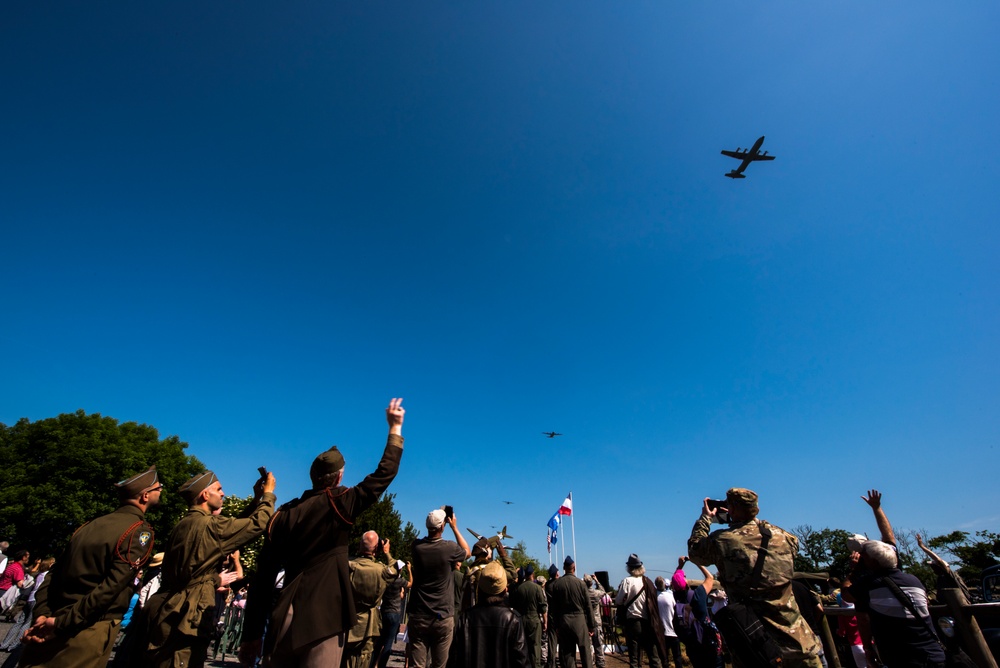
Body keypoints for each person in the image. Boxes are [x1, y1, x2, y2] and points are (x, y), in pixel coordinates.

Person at [239, 398, 406, 668]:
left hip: (284, 615)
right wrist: (394, 428)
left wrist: (251, 635)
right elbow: (384, 473)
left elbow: (263, 579)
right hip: (324, 618)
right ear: (339, 478)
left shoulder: (283, 514)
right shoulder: (339, 503)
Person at [19, 466, 160, 668]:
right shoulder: (137, 531)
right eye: (158, 488)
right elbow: (111, 587)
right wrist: (62, 624)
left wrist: (42, 614)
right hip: (87, 628)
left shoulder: (88, 525)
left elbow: (53, 574)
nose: (161, 491)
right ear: (145, 496)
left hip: (51, 618)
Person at [139, 466, 276, 668]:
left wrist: (256, 500)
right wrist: (268, 495)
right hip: (187, 612)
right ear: (205, 494)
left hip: (166, 607)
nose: (223, 494)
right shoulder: (210, 526)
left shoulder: (186, 523)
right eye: (218, 489)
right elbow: (257, 524)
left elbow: (233, 528)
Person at [688, 488, 823, 668]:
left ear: (732, 509)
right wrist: (753, 520)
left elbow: (695, 551)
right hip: (799, 641)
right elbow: (790, 545)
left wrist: (706, 518)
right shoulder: (784, 537)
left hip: (756, 645)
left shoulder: (723, 540)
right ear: (756, 510)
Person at [843, 539, 946, 668]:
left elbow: (846, 596)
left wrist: (853, 571)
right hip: (933, 654)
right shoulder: (913, 580)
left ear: (873, 561)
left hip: (901, 657)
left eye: (864, 557)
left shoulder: (870, 583)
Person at [407, 507, 471, 668]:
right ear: (443, 526)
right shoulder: (448, 548)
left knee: (417, 665)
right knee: (439, 665)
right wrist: (454, 527)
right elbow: (467, 552)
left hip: (419, 613)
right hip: (442, 615)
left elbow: (420, 539)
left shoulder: (417, 547)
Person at [447, 560, 530, 668]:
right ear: (505, 591)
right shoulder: (513, 619)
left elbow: (454, 659)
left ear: (480, 589)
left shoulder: (466, 618)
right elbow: (522, 662)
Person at [344, 532, 398, 668]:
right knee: (364, 658)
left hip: (347, 619)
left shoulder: (348, 566)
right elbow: (396, 569)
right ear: (376, 549)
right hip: (369, 623)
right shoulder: (380, 570)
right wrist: (387, 553)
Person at [615, 553, 664, 668]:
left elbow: (618, 601)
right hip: (648, 621)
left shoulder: (627, 581)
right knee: (653, 655)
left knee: (634, 657)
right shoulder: (648, 581)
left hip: (633, 622)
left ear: (629, 568)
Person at [546, 556, 596, 668]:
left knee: (567, 656)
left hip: (564, 621)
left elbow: (554, 608)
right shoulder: (581, 584)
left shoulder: (557, 585)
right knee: (585, 653)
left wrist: (557, 625)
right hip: (580, 620)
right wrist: (591, 625)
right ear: (574, 568)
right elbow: (588, 606)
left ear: (564, 568)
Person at [372, 559, 410, 668]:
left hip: (384, 611)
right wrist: (409, 571)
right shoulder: (399, 581)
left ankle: (373, 663)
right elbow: (410, 584)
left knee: (379, 641)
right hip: (395, 612)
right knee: (388, 642)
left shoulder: (386, 580)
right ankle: (382, 664)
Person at [509, 564, 547, 668]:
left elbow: (513, 605)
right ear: (533, 575)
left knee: (522, 646)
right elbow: (543, 607)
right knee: (535, 647)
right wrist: (545, 622)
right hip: (534, 619)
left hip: (521, 619)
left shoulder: (519, 588)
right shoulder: (537, 588)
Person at [654, 575, 681, 668]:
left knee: (664, 658)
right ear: (665, 585)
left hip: (662, 632)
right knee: (677, 657)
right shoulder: (670, 595)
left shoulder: (654, 597)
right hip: (673, 630)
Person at [584, 574, 607, 668]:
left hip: (587, 622)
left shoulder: (583, 594)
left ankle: (590, 662)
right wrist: (597, 580)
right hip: (596, 620)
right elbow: (603, 592)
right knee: (598, 643)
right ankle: (600, 662)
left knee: (588, 645)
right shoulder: (596, 593)